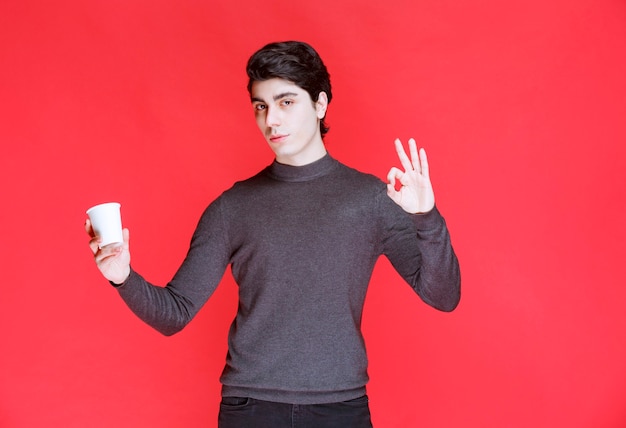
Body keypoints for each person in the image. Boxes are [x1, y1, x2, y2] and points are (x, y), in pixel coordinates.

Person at [86, 40, 460, 428]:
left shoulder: (371, 199)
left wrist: (426, 217)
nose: (271, 121)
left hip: (341, 409)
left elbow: (443, 296)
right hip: (250, 408)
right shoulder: (232, 207)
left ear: (319, 104)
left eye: (286, 102)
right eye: (261, 106)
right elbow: (174, 314)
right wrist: (122, 277)